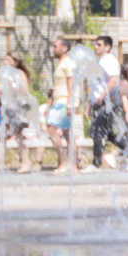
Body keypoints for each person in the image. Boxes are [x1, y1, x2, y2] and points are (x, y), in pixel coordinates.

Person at [89, 34, 128, 170]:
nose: (95, 47)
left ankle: (96, 164)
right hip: (101, 101)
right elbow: (96, 85)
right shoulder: (100, 61)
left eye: (99, 45)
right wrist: (90, 103)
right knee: (107, 133)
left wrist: (101, 98)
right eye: (95, 44)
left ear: (107, 47)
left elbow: (113, 81)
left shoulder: (109, 60)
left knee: (97, 132)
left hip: (108, 100)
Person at [0, 51, 39, 174]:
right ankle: (2, 164)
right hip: (8, 111)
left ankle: (1, 164)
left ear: (16, 62)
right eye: (5, 60)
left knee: (14, 138)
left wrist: (16, 85)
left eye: (9, 61)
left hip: (17, 112)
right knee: (8, 137)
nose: (6, 63)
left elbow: (24, 92)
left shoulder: (20, 74)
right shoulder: (5, 75)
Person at [45, 36, 80, 174]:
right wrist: (49, 104)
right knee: (68, 134)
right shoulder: (60, 63)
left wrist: (69, 104)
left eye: (55, 46)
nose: (53, 49)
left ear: (64, 48)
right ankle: (73, 167)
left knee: (51, 129)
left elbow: (71, 83)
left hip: (65, 100)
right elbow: (56, 87)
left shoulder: (68, 62)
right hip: (60, 100)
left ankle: (64, 162)